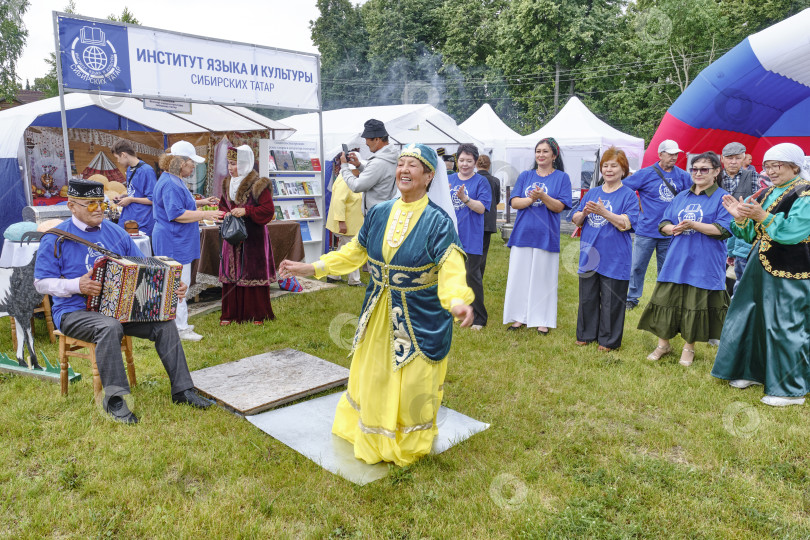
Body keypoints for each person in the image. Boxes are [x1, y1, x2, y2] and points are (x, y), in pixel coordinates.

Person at [278, 143, 474, 467]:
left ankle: (406, 439)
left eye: (414, 165)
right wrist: (312, 268)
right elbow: (353, 253)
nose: (405, 170)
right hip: (379, 310)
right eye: (401, 164)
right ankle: (371, 431)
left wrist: (457, 301)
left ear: (428, 176)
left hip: (419, 316)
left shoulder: (438, 221)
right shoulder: (380, 213)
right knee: (372, 373)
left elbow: (451, 265)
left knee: (412, 380)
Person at [33, 178, 213, 424]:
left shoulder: (116, 231)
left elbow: (144, 268)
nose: (99, 209)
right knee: (109, 326)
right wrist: (77, 285)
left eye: (101, 203)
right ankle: (115, 400)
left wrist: (170, 286)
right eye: (91, 204)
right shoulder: (55, 238)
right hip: (73, 312)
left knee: (165, 323)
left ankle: (183, 390)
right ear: (72, 206)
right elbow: (41, 283)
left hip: (118, 309)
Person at [711, 143, 810, 407]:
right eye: (767, 165)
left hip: (790, 271)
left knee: (785, 324)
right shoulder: (766, 192)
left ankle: (791, 389)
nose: (770, 170)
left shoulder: (806, 193)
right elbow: (750, 233)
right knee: (750, 317)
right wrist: (740, 219)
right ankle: (750, 371)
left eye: (776, 165)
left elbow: (794, 232)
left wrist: (762, 216)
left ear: (794, 166)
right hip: (758, 267)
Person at [638, 151, 733, 367]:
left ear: (716, 171)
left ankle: (689, 348)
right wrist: (674, 228)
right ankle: (663, 344)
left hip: (704, 262)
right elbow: (663, 224)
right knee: (666, 301)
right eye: (695, 169)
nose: (698, 173)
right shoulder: (681, 196)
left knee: (694, 305)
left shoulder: (722, 198)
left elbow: (723, 230)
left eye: (704, 169)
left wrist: (693, 225)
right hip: (676, 260)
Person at [152, 141, 222, 341]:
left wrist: (200, 202)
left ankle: (178, 322)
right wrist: (205, 214)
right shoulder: (170, 183)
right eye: (192, 163)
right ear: (181, 162)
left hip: (176, 238)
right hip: (174, 239)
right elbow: (176, 213)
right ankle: (180, 328)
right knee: (179, 283)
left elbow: (178, 204)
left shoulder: (172, 179)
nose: (194, 167)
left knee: (178, 281)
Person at [571, 147, 640, 351]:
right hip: (590, 253)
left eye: (614, 166)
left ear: (623, 169)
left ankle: (608, 340)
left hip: (616, 255)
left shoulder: (628, 195)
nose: (609, 170)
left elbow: (626, 223)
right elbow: (575, 220)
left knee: (612, 299)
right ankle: (586, 334)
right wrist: (583, 212)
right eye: (605, 166)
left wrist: (604, 212)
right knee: (588, 296)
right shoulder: (592, 192)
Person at [503, 138, 572, 334]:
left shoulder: (561, 178)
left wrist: (543, 197)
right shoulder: (526, 175)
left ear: (554, 156)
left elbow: (559, 207)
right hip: (523, 233)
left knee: (543, 278)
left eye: (545, 151)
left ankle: (542, 319)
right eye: (538, 151)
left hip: (546, 235)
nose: (540, 155)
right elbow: (514, 202)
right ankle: (518, 317)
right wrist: (531, 199)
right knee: (519, 276)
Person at [623, 139, 692, 310]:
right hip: (646, 229)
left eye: (676, 154)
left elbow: (692, 195)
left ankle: (664, 300)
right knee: (637, 266)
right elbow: (624, 189)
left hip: (670, 230)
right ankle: (632, 298)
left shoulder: (683, 175)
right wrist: (636, 207)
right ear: (660, 154)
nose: (674, 157)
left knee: (667, 267)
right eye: (670, 154)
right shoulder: (645, 173)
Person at [218, 145, 277, 325]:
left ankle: (255, 313)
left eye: (234, 164)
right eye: (229, 163)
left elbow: (268, 210)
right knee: (232, 271)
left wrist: (247, 211)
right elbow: (223, 205)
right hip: (232, 236)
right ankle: (230, 312)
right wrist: (226, 213)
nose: (230, 167)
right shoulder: (227, 183)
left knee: (251, 270)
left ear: (244, 163)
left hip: (253, 236)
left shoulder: (259, 184)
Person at [448, 143, 492, 330]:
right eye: (461, 160)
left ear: (475, 163)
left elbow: (482, 208)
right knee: (450, 276)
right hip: (448, 236)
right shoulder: (448, 179)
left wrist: (465, 199)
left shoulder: (481, 182)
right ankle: (455, 312)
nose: (464, 164)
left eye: (469, 161)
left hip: (471, 236)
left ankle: (479, 317)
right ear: (457, 160)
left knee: (472, 277)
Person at [719, 142, 759, 294]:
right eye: (729, 158)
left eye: (737, 158)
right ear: (722, 159)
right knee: (714, 273)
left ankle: (730, 305)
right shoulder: (715, 175)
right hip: (717, 230)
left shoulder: (752, 175)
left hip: (740, 231)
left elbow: (755, 202)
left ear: (744, 158)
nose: (733, 161)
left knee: (734, 276)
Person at [339, 119, 398, 214]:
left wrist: (344, 166)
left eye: (367, 139)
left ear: (377, 139)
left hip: (376, 214)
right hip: (385, 210)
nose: (366, 143)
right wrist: (359, 166)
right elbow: (378, 176)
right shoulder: (391, 156)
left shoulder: (378, 162)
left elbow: (356, 186)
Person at [325, 154, 364, 286]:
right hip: (347, 224)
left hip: (351, 224)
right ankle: (354, 280)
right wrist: (341, 222)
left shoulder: (351, 179)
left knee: (342, 250)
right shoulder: (345, 180)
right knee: (353, 251)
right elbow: (339, 201)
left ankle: (333, 275)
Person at [111, 140, 156, 236]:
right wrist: (124, 196)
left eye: (117, 158)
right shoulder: (129, 169)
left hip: (142, 221)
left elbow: (153, 199)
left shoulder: (146, 170)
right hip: (128, 217)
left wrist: (131, 199)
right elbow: (137, 192)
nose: (118, 161)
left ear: (123, 154)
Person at [476, 154, 501, 276]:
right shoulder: (495, 181)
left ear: (476, 164)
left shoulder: (473, 178)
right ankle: (479, 274)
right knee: (483, 250)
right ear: (489, 165)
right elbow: (496, 201)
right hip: (488, 219)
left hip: (475, 218)